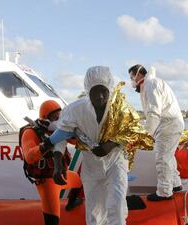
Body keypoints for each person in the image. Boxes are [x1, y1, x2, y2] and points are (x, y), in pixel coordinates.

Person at [46, 66, 129, 225]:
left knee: (117, 205)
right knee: (94, 213)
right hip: (91, 166)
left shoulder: (120, 108)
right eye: (94, 92)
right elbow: (62, 135)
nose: (99, 96)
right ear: (87, 90)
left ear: (109, 89)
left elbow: (130, 132)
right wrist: (57, 163)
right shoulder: (75, 110)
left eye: (103, 91)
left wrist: (110, 145)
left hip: (115, 161)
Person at [20, 100, 83, 225]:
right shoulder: (30, 132)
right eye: (55, 118)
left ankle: (71, 203)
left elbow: (76, 142)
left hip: (62, 174)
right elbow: (29, 156)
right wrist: (46, 145)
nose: (58, 121)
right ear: (45, 118)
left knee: (78, 182)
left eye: (60, 117)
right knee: (53, 219)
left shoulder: (58, 130)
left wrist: (75, 132)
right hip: (48, 181)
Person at [128, 64, 184, 201]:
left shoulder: (151, 84)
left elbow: (153, 112)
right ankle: (175, 184)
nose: (131, 81)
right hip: (170, 124)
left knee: (162, 158)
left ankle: (165, 192)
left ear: (138, 75)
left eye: (131, 77)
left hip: (168, 124)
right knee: (169, 156)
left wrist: (146, 135)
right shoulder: (153, 83)